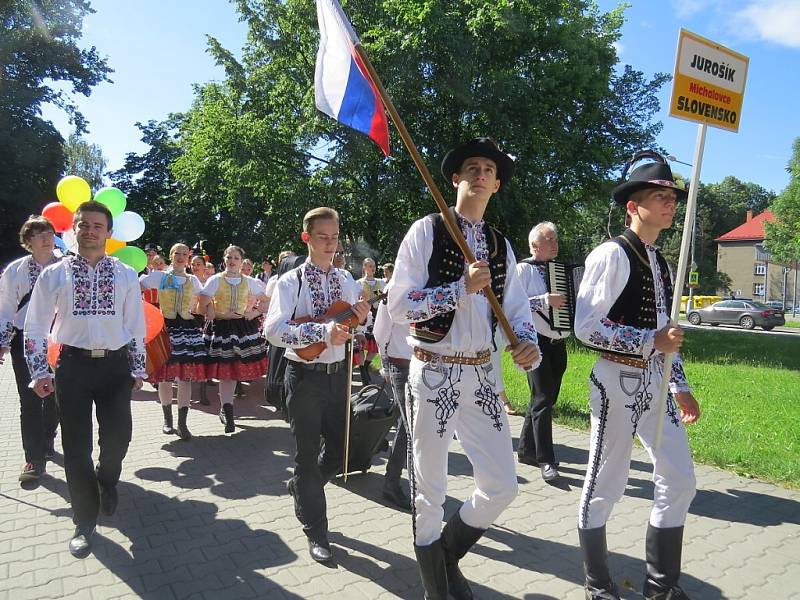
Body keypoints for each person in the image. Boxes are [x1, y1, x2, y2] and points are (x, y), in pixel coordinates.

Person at [388, 138, 540, 599]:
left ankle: (447, 555)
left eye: (488, 169)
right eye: (471, 167)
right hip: (433, 371)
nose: (479, 173)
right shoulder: (427, 230)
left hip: (482, 373)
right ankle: (437, 587)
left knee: (502, 485)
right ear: (456, 178)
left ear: (496, 184)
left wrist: (527, 343)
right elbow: (397, 305)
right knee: (430, 489)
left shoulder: (500, 244)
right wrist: (458, 288)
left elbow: (516, 309)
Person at [574, 156, 700, 600]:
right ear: (633, 205)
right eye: (661, 197)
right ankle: (597, 583)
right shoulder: (612, 254)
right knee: (606, 481)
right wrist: (650, 341)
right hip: (616, 381)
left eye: (672, 198)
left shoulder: (661, 261)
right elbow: (586, 326)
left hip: (656, 382)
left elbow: (668, 331)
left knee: (680, 478)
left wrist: (680, 385)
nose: (670, 204)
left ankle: (662, 585)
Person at [24, 200, 147, 558]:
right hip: (73, 368)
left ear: (109, 233)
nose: (90, 231)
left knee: (118, 440)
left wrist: (138, 368)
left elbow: (135, 325)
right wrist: (39, 371)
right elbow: (34, 325)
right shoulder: (55, 274)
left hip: (115, 368)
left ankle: (107, 479)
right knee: (76, 448)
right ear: (74, 230)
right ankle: (84, 519)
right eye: (84, 225)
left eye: (97, 226)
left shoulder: (125, 273)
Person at [264, 207, 369, 564]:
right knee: (307, 457)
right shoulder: (290, 281)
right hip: (303, 378)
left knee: (343, 452)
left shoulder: (346, 279)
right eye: (322, 236)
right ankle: (316, 530)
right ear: (306, 238)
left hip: (339, 376)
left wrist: (362, 320)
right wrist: (321, 331)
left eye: (335, 236)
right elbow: (273, 330)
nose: (330, 243)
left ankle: (302, 487)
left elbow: (356, 328)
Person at [0, 216, 61, 484]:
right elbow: (4, 310)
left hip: (60, 339)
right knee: (31, 400)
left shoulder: (67, 267)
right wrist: (2, 341)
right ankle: (33, 458)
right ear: (28, 241)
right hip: (25, 340)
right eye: (39, 234)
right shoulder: (15, 271)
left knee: (58, 397)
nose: (47, 237)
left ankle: (48, 437)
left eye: (49, 232)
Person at [515, 221, 570, 482]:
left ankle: (526, 449)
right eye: (549, 239)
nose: (555, 243)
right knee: (542, 401)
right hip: (535, 343)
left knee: (546, 399)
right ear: (534, 245)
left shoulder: (560, 271)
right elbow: (509, 304)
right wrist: (543, 300)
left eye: (556, 239)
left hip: (559, 344)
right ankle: (546, 460)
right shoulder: (524, 270)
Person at [140, 243, 208, 440]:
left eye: (184, 254)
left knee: (185, 378)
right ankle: (167, 420)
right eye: (177, 253)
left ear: (189, 258)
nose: (180, 257)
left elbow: (204, 300)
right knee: (165, 376)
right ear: (171, 256)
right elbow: (137, 287)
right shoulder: (160, 276)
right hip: (166, 327)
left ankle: (182, 423)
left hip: (187, 328)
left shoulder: (193, 280)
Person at [197, 245, 269, 433]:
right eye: (229, 257)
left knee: (236, 368)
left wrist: (253, 313)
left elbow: (267, 300)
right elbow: (201, 302)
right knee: (225, 371)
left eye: (236, 257)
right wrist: (211, 309)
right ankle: (227, 409)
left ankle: (227, 407)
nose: (232, 260)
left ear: (241, 260)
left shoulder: (250, 281)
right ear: (224, 259)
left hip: (243, 327)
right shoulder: (215, 280)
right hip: (221, 327)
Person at [372, 287, 411, 510]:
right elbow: (381, 330)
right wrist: (386, 363)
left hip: (427, 365)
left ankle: (398, 482)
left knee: (408, 425)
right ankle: (392, 483)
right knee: (408, 426)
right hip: (400, 364)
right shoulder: (395, 287)